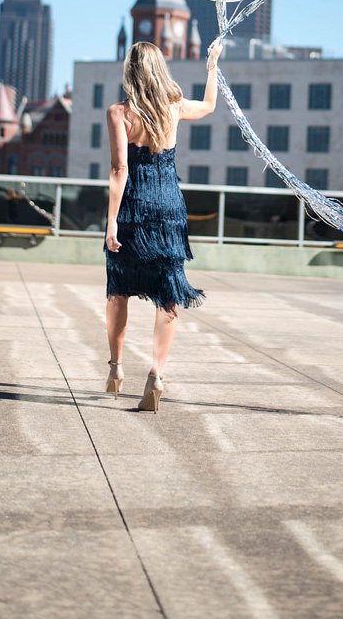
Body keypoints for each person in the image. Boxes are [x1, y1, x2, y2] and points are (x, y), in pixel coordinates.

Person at [104, 38, 222, 412]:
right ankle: (155, 375)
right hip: (169, 206)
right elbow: (208, 106)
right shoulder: (173, 108)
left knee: (118, 287)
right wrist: (212, 65)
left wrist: (110, 222)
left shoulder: (119, 113)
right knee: (168, 291)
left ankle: (116, 368)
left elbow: (120, 169)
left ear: (130, 71)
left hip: (134, 207)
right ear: (159, 71)